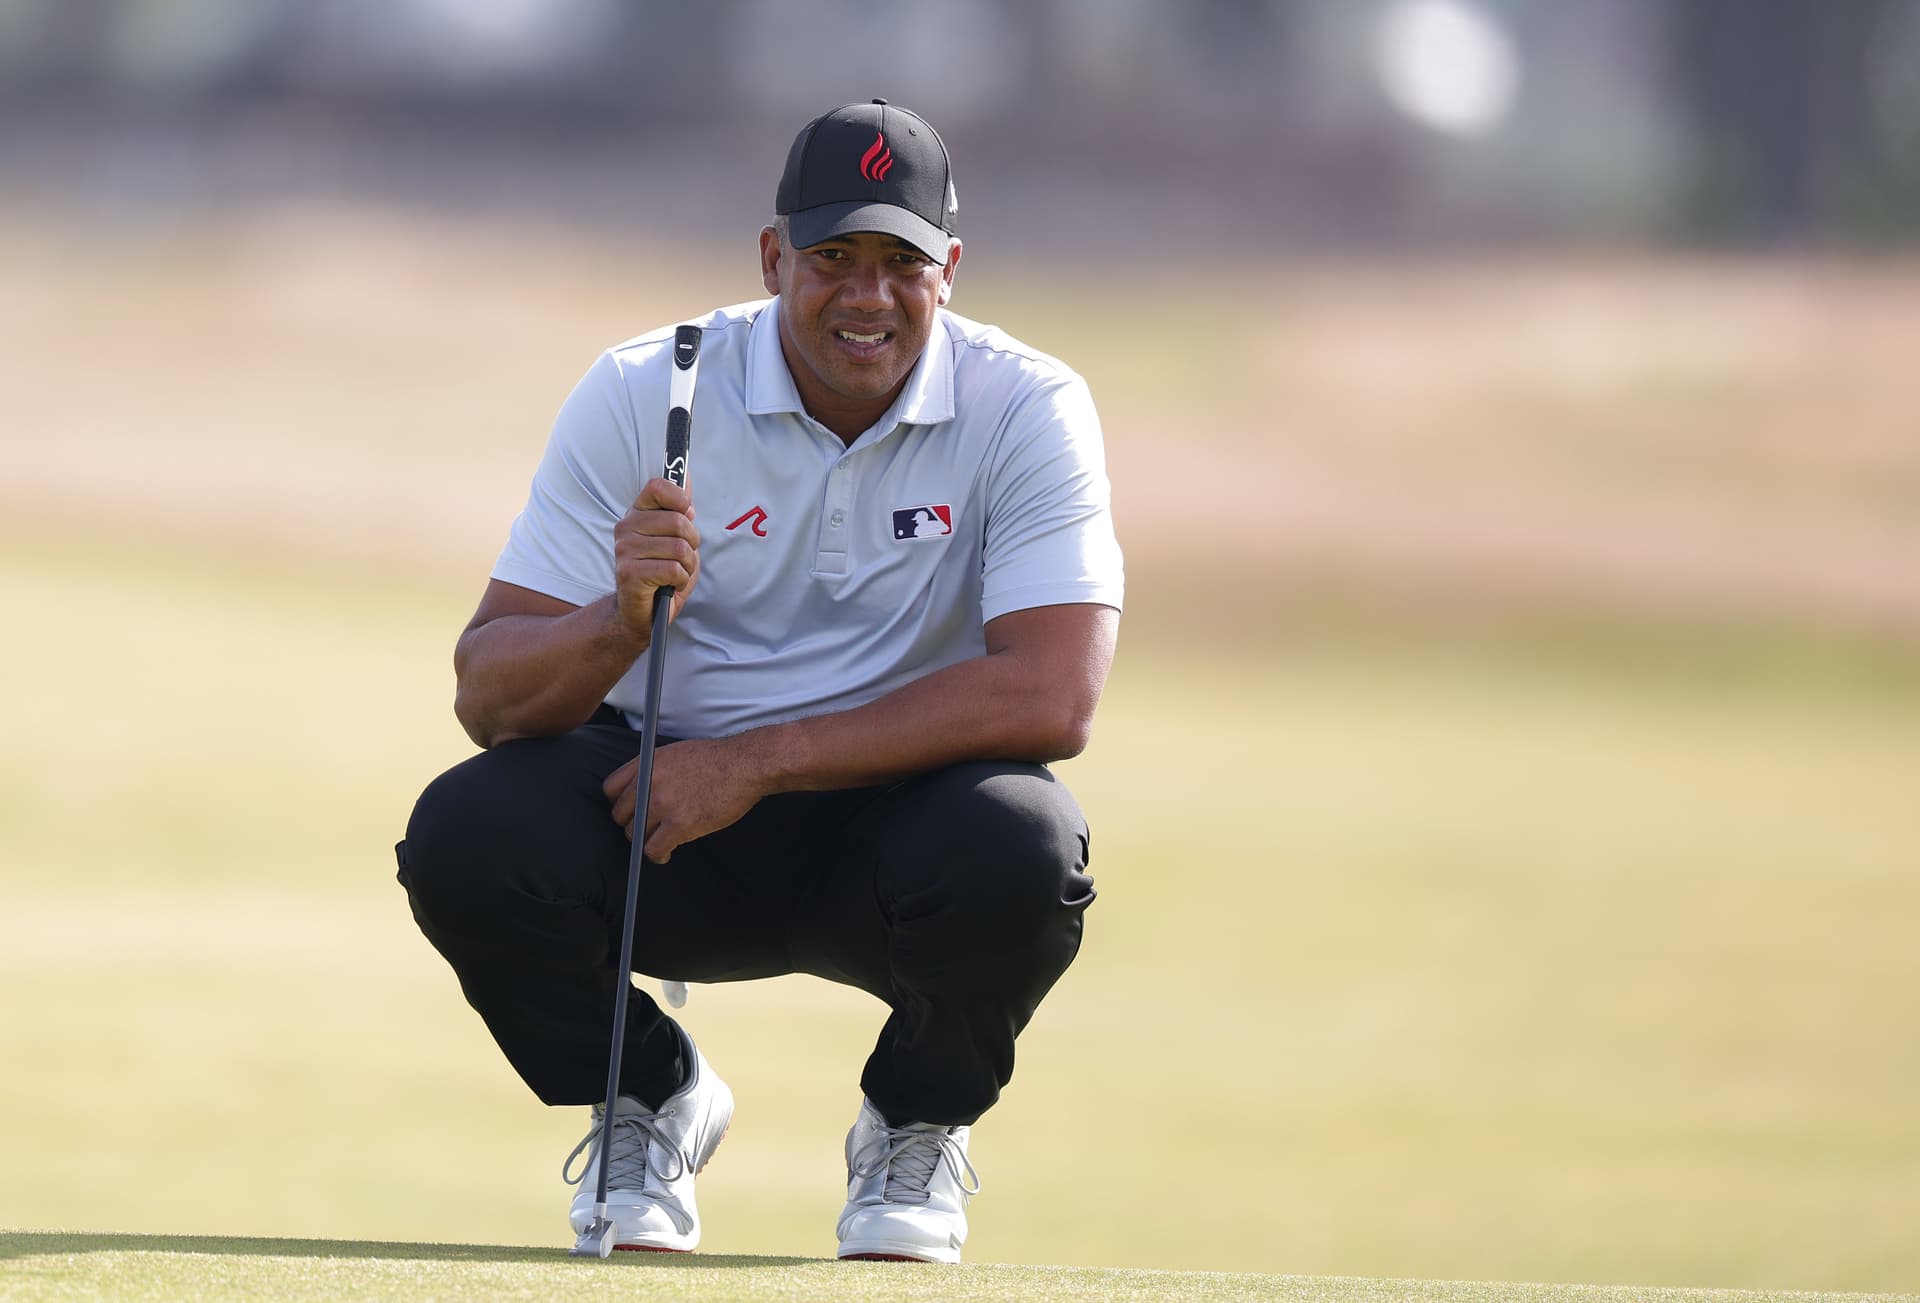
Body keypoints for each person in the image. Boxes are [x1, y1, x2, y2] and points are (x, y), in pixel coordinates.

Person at [395, 98, 1123, 1263]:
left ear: (952, 269)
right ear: (775, 255)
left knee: (1027, 842)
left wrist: (754, 762)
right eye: (834, 256)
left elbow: (1053, 696)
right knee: (466, 834)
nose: (868, 294)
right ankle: (649, 1094)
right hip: (661, 826)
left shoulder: (1025, 406)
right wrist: (616, 623)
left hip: (897, 838)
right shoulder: (650, 388)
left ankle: (915, 1121)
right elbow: (488, 693)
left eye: (903, 261)